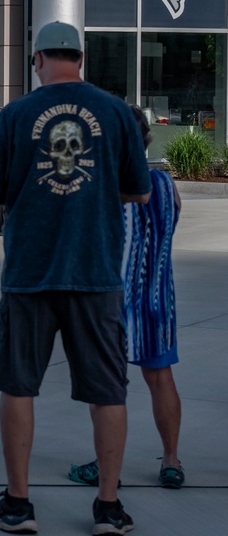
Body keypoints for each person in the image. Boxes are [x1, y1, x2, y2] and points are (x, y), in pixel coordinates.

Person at [0, 22, 152, 536]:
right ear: (82, 56)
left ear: (37, 60)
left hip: (30, 273)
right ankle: (109, 507)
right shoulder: (117, 112)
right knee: (108, 391)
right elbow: (139, 192)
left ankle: (18, 504)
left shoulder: (16, 114)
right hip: (95, 273)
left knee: (18, 385)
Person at [68, 105, 185, 490]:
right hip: (156, 299)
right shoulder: (167, 185)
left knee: (105, 389)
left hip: (112, 302)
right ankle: (171, 460)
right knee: (161, 378)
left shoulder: (104, 186)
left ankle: (106, 468)